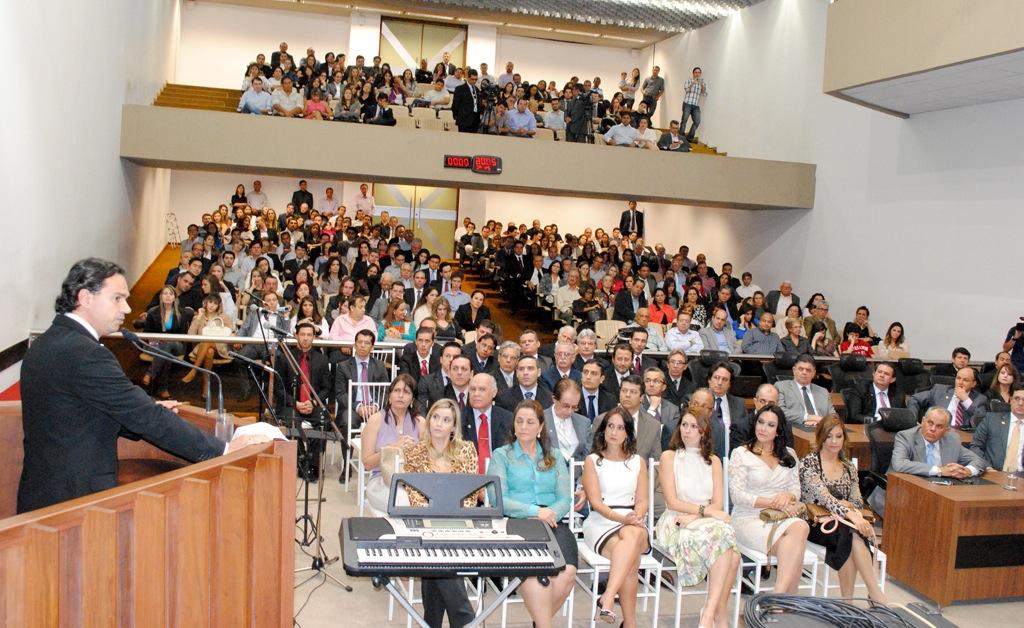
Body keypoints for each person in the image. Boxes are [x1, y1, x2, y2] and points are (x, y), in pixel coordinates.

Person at [18, 259, 270, 513]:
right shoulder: (86, 353)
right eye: (117, 298)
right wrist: (224, 449)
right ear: (85, 298)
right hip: (75, 501)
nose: (127, 308)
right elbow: (146, 418)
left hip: (42, 492)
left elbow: (82, 409)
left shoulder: (46, 343)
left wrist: (146, 405)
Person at [489, 400, 578, 628]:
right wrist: (535, 511)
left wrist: (549, 514)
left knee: (567, 573)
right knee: (537, 579)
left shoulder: (555, 456)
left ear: (540, 428)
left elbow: (565, 499)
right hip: (518, 524)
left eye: (530, 422)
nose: (523, 427)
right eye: (519, 421)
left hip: (553, 523)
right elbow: (498, 499)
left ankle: (540, 622)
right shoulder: (502, 455)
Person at [656, 411, 739, 628]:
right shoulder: (669, 457)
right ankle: (716, 616)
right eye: (684, 425)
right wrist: (705, 512)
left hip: (701, 520)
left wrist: (697, 515)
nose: (687, 430)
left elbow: (719, 504)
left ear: (704, 432)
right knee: (730, 550)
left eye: (694, 426)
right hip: (675, 520)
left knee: (728, 547)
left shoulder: (713, 461)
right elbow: (672, 502)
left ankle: (709, 613)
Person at [402, 399, 478, 628]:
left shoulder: (467, 450)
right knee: (439, 553)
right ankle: (464, 619)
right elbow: (415, 496)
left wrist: (452, 516)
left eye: (446, 420)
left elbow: (471, 496)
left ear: (453, 427)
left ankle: (433, 621)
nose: (438, 424)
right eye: (435, 417)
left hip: (459, 522)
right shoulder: (414, 452)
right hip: (425, 522)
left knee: (437, 562)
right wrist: (433, 517)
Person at [799, 415, 886, 604]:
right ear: (820, 437)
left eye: (838, 436)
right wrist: (848, 511)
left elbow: (856, 500)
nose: (834, 442)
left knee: (850, 534)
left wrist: (851, 511)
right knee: (852, 532)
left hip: (844, 523)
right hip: (816, 522)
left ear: (844, 438)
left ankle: (848, 603)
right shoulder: (809, 462)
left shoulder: (848, 467)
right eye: (829, 436)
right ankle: (873, 594)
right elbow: (824, 498)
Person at [728, 404, 810, 593]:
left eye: (770, 425)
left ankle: (779, 596)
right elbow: (738, 496)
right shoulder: (741, 453)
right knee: (798, 536)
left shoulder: (789, 454)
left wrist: (786, 496)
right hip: (748, 518)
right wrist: (774, 502)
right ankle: (784, 597)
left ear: (779, 430)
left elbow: (796, 490)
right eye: (761, 422)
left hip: (781, 518)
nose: (763, 428)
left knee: (797, 534)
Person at [581, 407, 650, 626]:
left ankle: (608, 596)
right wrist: (625, 521)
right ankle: (629, 622)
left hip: (632, 518)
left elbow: (642, 501)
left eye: (620, 427)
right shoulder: (593, 460)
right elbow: (596, 503)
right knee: (631, 558)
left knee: (630, 538)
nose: (614, 432)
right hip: (602, 521)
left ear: (628, 433)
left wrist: (636, 517)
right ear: (603, 430)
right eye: (610, 426)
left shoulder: (638, 461)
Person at [273, 322, 332, 482]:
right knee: (292, 422)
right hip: (291, 403)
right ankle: (300, 462)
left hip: (312, 403)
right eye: (303, 335)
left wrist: (313, 402)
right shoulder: (285, 357)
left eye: (309, 335)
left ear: (313, 337)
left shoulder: (321, 359)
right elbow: (278, 389)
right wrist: (295, 403)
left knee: (323, 421)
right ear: (297, 336)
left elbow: (327, 388)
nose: (306, 338)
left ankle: (313, 464)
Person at [360, 374, 423, 512]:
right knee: (401, 499)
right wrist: (393, 448)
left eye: (406, 392)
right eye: (397, 391)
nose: (401, 395)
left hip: (413, 480)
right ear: (389, 396)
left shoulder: (420, 422)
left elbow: (429, 457)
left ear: (412, 399)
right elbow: (367, 463)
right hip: (381, 479)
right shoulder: (375, 420)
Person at [891, 407, 987, 478]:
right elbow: (899, 464)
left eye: (939, 426)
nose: (933, 429)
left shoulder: (952, 440)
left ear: (947, 430)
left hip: (940, 491)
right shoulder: (906, 437)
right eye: (930, 423)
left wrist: (967, 471)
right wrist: (939, 470)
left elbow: (979, 461)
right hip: (904, 489)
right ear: (923, 421)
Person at [141, 285, 194, 399]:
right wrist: (157, 339)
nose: (168, 296)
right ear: (161, 297)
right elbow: (146, 333)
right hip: (154, 345)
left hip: (176, 345)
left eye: (171, 294)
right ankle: (163, 388)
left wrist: (167, 339)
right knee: (166, 352)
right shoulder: (152, 312)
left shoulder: (182, 313)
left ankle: (150, 373)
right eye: (165, 293)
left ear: (175, 297)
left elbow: (182, 336)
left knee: (168, 344)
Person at [182, 293, 234, 393]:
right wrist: (198, 317)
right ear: (205, 303)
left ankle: (194, 370)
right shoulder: (198, 317)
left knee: (208, 340)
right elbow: (190, 336)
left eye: (215, 303)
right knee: (209, 351)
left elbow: (232, 333)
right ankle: (206, 384)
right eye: (210, 302)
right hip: (202, 349)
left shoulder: (224, 317)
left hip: (220, 348)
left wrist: (233, 335)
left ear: (218, 305)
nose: (212, 305)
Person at [907, 367, 987, 428]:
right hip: (937, 430)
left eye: (965, 380)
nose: (960, 382)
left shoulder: (980, 399)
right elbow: (914, 399)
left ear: (973, 384)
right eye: (958, 378)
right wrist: (913, 421)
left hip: (962, 436)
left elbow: (981, 419)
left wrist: (966, 400)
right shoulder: (939, 390)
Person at [970, 387, 1024, 471]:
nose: (1020, 403)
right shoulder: (991, 419)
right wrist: (986, 466)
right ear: (1011, 400)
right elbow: (975, 446)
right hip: (993, 473)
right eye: (1017, 398)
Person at [776, 354, 835, 427]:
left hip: (822, 429)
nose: (804, 372)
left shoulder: (823, 391)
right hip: (796, 429)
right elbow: (779, 411)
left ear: (813, 373)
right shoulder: (781, 387)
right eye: (801, 369)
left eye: (808, 370)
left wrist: (821, 422)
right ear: (794, 370)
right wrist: (808, 417)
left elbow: (833, 416)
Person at [681, 67, 707, 142]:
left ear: (700, 74)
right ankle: (681, 136)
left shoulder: (702, 82)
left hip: (696, 106)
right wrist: (693, 83)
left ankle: (689, 138)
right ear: (693, 73)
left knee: (697, 121)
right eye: (696, 72)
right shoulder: (688, 80)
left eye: (699, 72)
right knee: (684, 120)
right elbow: (686, 90)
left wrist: (701, 85)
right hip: (687, 104)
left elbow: (704, 93)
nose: (697, 74)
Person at [451, 68, 481, 133]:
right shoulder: (460, 89)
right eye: (472, 79)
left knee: (473, 141)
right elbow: (455, 105)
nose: (474, 81)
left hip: (475, 120)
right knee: (463, 141)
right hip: (463, 120)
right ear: (467, 77)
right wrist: (457, 116)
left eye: (476, 79)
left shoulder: (477, 90)